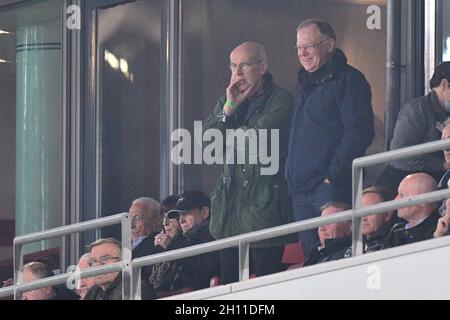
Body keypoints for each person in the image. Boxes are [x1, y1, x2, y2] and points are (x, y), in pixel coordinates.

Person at [202, 41, 294, 284]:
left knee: (266, 288)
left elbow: (256, 141)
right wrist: (229, 109)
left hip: (264, 209)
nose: (237, 74)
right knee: (231, 290)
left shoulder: (282, 100)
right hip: (228, 213)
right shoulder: (227, 100)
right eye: (233, 66)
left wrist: (228, 133)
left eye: (244, 65)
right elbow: (208, 145)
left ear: (262, 67)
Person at [286, 19, 374, 259]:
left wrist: (332, 175)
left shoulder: (350, 80)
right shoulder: (304, 83)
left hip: (330, 189)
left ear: (330, 45)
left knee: (336, 258)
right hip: (300, 190)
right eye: (299, 48)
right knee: (312, 261)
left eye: (310, 46)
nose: (302, 53)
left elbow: (359, 132)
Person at [377, 61, 450, 195]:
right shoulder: (416, 110)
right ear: (444, 85)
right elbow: (400, 155)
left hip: (429, 182)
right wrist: (442, 165)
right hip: (402, 182)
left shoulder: (445, 112)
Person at [158, 190, 220, 290]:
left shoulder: (213, 238)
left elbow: (199, 279)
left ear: (204, 212)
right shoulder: (182, 240)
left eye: (186, 214)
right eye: (179, 216)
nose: (181, 220)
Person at [83, 238, 156, 300]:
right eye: (94, 261)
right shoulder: (94, 291)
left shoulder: (134, 288)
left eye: (105, 259)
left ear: (122, 261)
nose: (98, 265)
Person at [385, 173, 441, 248]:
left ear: (423, 200)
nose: (396, 200)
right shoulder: (396, 230)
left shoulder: (441, 229)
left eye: (402, 195)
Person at [148, 195, 184, 295]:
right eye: (163, 217)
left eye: (170, 217)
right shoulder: (157, 244)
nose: (165, 222)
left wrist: (170, 248)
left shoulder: (187, 245)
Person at [303, 202, 352, 266]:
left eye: (329, 222)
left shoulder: (350, 254)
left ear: (348, 228)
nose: (322, 228)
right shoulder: (315, 253)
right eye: (320, 222)